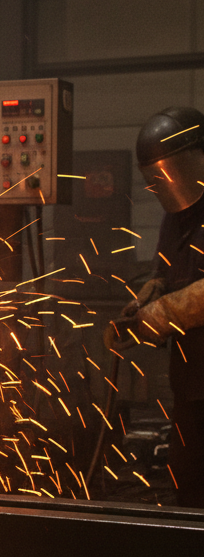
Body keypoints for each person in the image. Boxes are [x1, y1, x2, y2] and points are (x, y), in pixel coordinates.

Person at [113, 106, 204, 507]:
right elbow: (166, 269)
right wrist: (145, 299)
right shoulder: (177, 215)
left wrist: (163, 315)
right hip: (191, 383)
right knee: (188, 483)